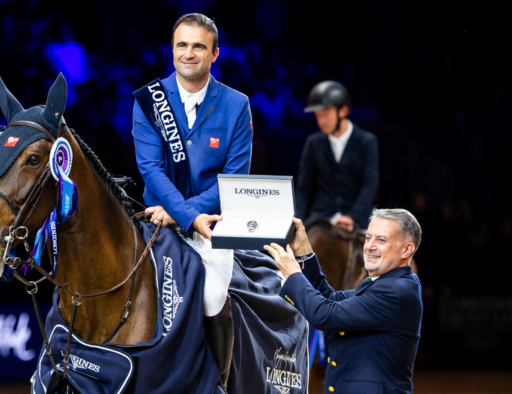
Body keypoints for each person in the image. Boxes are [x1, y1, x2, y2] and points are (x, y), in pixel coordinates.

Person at [131, 13, 253, 391]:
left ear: (214, 53)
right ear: (172, 50)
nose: (189, 53)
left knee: (213, 295)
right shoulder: (148, 101)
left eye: (199, 46)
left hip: (212, 223)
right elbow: (151, 170)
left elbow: (234, 180)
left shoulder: (237, 104)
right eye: (182, 45)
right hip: (156, 219)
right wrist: (183, 215)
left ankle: (220, 382)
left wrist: (185, 215)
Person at [265, 209, 422, 394]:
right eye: (368, 238)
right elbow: (329, 299)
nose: (369, 246)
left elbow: (325, 315)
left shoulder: (395, 291)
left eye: (381, 240)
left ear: (406, 250)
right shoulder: (388, 284)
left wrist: (293, 275)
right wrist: (304, 252)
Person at [296, 81, 379, 232]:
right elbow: (304, 188)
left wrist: (352, 216)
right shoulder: (313, 142)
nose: (321, 121)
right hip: (321, 219)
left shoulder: (366, 141)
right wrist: (298, 225)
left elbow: (369, 185)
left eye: (326, 114)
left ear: (343, 111)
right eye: (318, 115)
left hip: (356, 220)